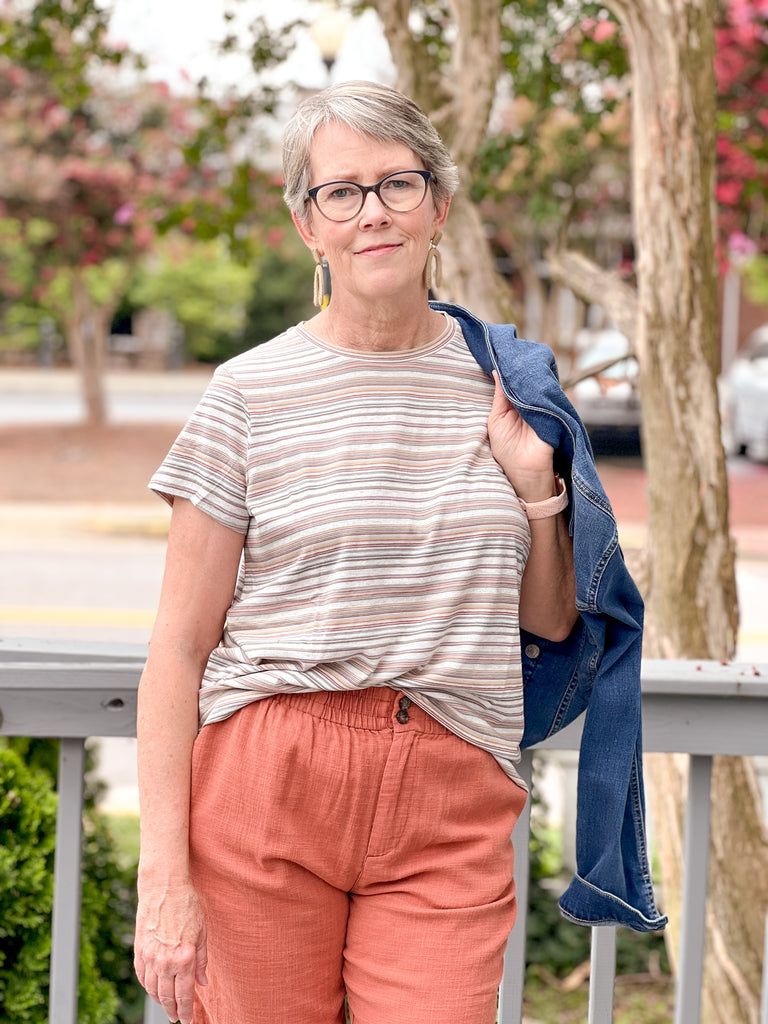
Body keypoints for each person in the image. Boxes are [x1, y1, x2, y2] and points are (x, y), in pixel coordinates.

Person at [134, 80, 663, 1024]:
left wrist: (536, 488)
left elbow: (549, 624)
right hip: (265, 786)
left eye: (397, 184)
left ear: (439, 206)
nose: (372, 212)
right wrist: (163, 878)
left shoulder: (511, 391)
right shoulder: (247, 393)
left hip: (449, 797)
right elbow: (177, 650)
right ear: (308, 225)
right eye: (341, 192)